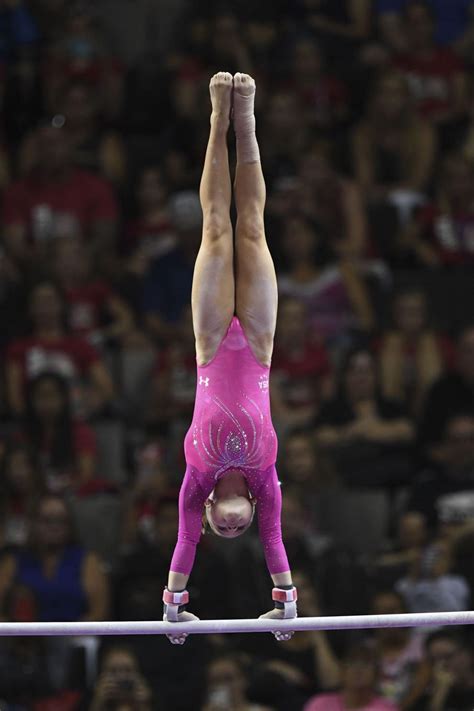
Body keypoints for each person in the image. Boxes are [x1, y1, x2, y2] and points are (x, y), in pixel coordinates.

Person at [162, 72, 297, 644]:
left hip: (213, 344)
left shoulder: (198, 479)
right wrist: (285, 604)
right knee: (254, 228)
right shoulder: (265, 483)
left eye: (222, 527)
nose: (232, 527)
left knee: (217, 230)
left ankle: (220, 118)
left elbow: (183, 541)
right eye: (236, 528)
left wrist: (174, 606)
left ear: (213, 510)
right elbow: (275, 540)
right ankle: (248, 120)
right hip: (260, 347)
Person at [0, 493, 109, 622]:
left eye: (60, 520)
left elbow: (98, 615)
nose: (54, 526)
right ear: (33, 523)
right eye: (47, 520)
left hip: (74, 635)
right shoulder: (13, 562)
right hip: (23, 637)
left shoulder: (88, 561)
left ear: (70, 525)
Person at [303, 641, 400, 711]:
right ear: (342, 671)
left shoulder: (387, 708)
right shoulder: (319, 705)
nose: (358, 669)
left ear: (376, 673)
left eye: (365, 663)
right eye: (352, 663)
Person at [410, 629, 474, 711]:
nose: (440, 666)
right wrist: (440, 692)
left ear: (467, 653)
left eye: (447, 656)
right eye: (434, 661)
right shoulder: (427, 698)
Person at [89, 644, 152, 711]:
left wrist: (144, 706)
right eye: (113, 671)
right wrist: (97, 703)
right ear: (102, 676)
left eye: (128, 670)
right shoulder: (91, 701)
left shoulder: (149, 701)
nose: (121, 677)